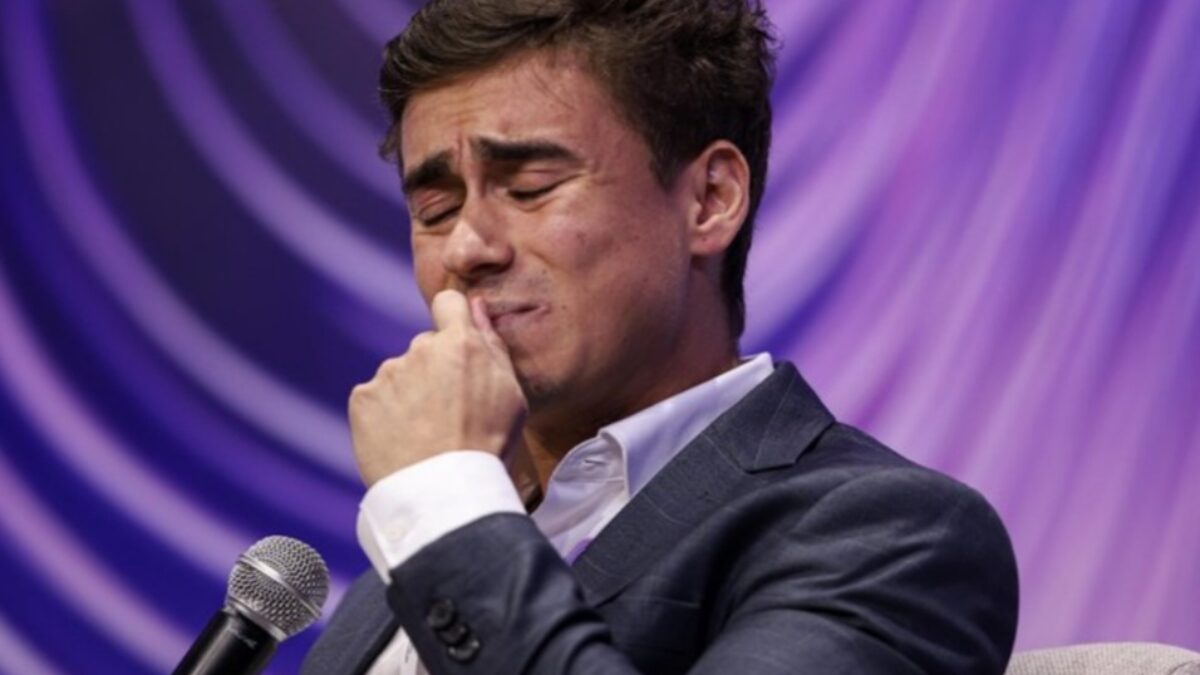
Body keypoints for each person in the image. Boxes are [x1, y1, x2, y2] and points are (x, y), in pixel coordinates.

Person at [303, 1, 1019, 673]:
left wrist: (444, 500)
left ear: (710, 199)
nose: (466, 247)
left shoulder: (891, 536)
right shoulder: (424, 549)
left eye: (530, 188)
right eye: (435, 208)